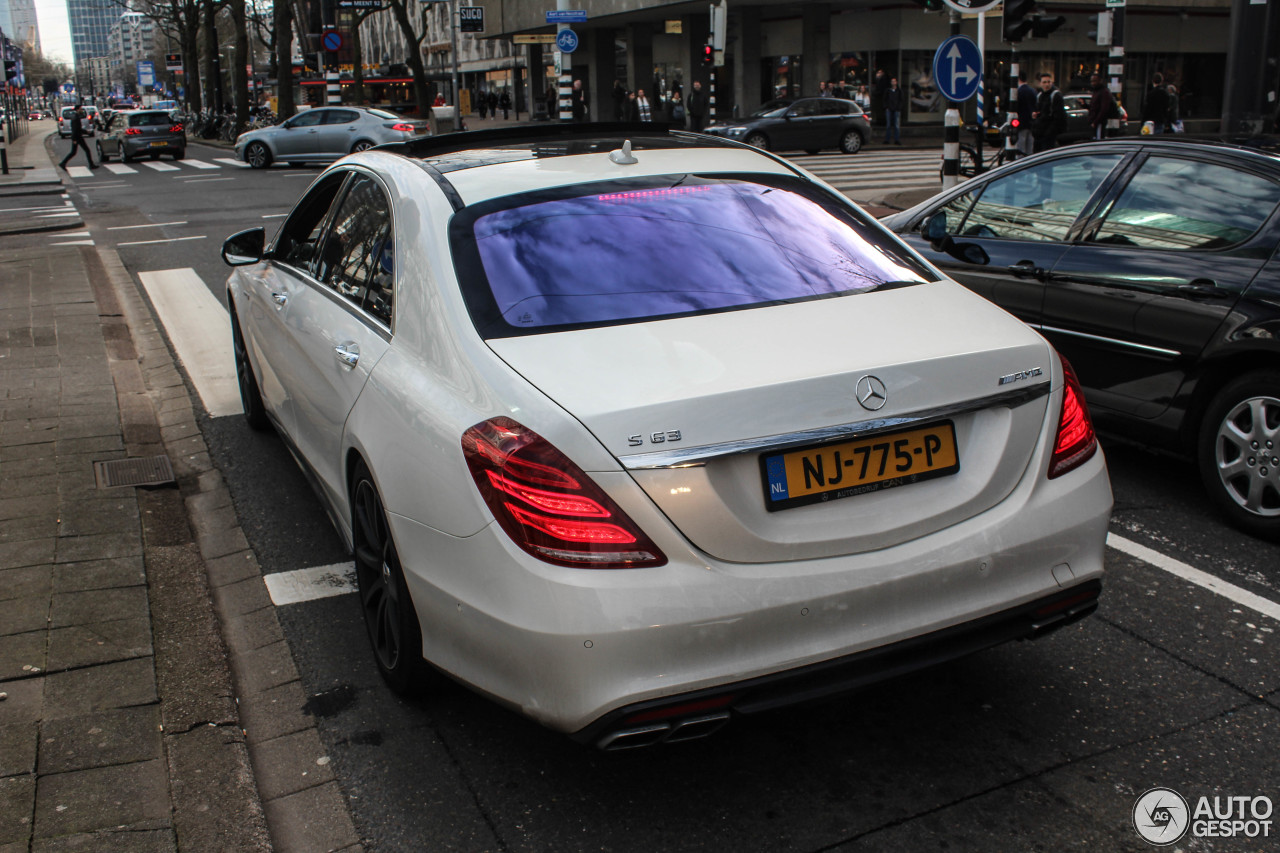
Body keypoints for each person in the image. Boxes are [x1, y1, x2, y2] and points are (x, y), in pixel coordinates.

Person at [1031, 71, 1066, 152]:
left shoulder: (1056, 96)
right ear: (1040, 83)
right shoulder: (1040, 96)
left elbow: (1058, 117)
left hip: (1047, 134)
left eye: (1048, 82)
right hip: (1039, 132)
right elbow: (1038, 111)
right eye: (1044, 82)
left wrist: (1049, 133)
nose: (1046, 85)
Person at [59, 105, 96, 171]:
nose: (82, 110)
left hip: (77, 137)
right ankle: (91, 164)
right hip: (77, 137)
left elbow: (77, 129)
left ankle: (63, 163)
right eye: (81, 109)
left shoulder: (75, 117)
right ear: (77, 110)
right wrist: (76, 138)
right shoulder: (76, 118)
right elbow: (76, 129)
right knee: (83, 150)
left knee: (75, 152)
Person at [1015, 71, 1037, 159]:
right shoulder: (1032, 91)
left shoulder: (1019, 91)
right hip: (1031, 122)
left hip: (1021, 122)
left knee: (1021, 146)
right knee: (1029, 147)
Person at [1088, 74, 1112, 140]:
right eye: (1092, 81)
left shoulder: (1104, 92)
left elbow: (1104, 109)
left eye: (1095, 81)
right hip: (1095, 121)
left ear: (1100, 81)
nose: (1093, 83)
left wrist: (1096, 121)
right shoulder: (1096, 92)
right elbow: (1093, 107)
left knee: (1099, 139)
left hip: (1099, 122)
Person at [883, 77, 902, 145]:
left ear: (896, 82)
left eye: (894, 81)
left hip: (896, 109)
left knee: (896, 125)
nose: (893, 83)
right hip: (889, 109)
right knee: (888, 125)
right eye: (892, 81)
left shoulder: (899, 91)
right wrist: (886, 107)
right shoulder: (888, 91)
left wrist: (898, 108)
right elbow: (885, 99)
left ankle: (896, 139)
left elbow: (901, 100)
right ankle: (887, 139)